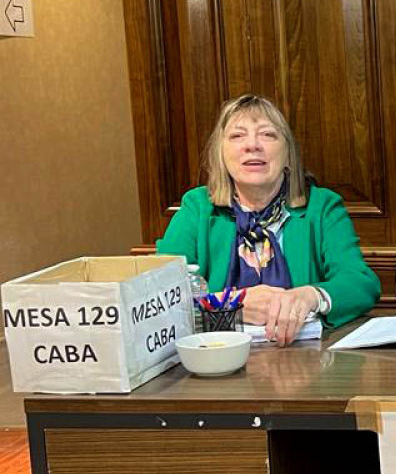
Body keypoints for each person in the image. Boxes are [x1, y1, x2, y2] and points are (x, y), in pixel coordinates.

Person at [157, 93, 380, 343]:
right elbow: (159, 294)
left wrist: (311, 296)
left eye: (267, 134)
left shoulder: (322, 206)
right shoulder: (197, 207)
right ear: (221, 155)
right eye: (237, 136)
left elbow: (361, 284)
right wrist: (230, 305)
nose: (252, 145)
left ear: (288, 155)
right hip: (215, 357)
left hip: (303, 363)